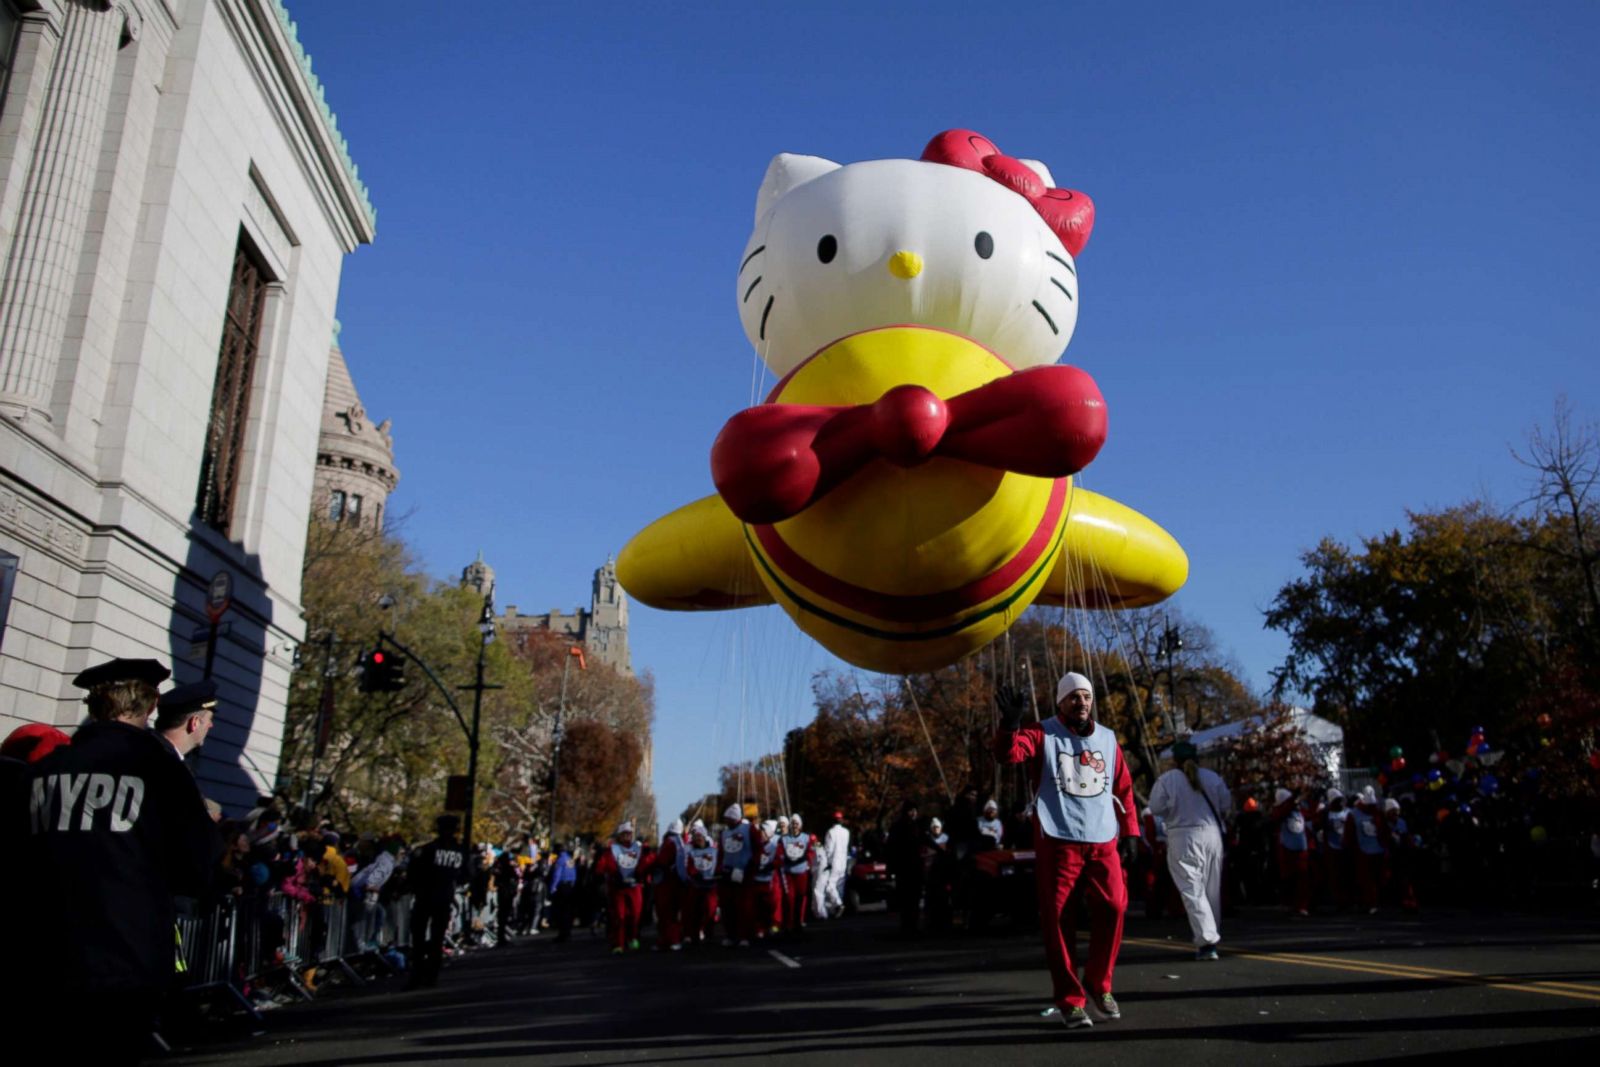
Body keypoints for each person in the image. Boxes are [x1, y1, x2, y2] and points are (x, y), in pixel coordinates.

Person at [23, 657, 216, 1061]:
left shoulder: (43, 771)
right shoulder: (160, 769)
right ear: (150, 705)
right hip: (128, 957)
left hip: (48, 953)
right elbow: (196, 867)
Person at [995, 671, 1139, 1031]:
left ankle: (1099, 983)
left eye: (1087, 697)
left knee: (1115, 905)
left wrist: (1132, 832)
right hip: (1059, 839)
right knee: (1058, 920)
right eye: (1074, 697)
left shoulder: (1107, 738)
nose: (1082, 703)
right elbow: (1008, 753)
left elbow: (1123, 787)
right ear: (1060, 702)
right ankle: (1070, 1000)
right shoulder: (1042, 732)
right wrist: (1010, 724)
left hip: (1103, 839)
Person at [1147, 739, 1232, 959]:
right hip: (1212, 834)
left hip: (1183, 835)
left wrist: (1172, 812)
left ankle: (1207, 941)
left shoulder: (1167, 780)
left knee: (1192, 889)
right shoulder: (1213, 778)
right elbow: (1226, 805)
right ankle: (1211, 932)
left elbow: (1155, 807)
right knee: (1211, 887)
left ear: (1175, 760)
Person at [406, 814, 466, 989]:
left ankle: (417, 975)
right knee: (437, 939)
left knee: (418, 938)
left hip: (425, 897)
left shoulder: (427, 850)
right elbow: (464, 875)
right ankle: (431, 976)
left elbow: (413, 873)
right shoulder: (460, 852)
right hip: (444, 898)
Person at [597, 821, 645, 953]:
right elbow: (601, 867)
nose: (627, 837)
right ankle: (619, 942)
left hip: (634, 887)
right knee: (619, 916)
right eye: (624, 834)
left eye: (629, 834)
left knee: (635, 915)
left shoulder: (638, 848)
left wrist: (643, 870)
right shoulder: (612, 850)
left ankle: (633, 938)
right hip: (618, 888)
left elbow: (646, 863)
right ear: (619, 836)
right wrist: (611, 874)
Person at [1271, 787, 1314, 917]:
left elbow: (1310, 817)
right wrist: (1292, 801)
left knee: (1303, 878)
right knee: (1289, 878)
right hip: (1287, 850)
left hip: (1301, 849)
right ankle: (1290, 904)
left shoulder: (1299, 810)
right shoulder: (1280, 812)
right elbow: (1279, 815)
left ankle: (1302, 905)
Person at [718, 804, 756, 945]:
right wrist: (720, 870)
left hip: (744, 872)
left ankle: (744, 935)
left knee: (743, 906)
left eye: (728, 818)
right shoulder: (724, 834)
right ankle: (731, 935)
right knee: (728, 906)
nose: (726, 821)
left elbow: (757, 848)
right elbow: (721, 854)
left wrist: (752, 867)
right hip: (728, 873)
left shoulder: (748, 830)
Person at [152, 679, 217, 763]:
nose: (211, 725)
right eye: (210, 719)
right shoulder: (167, 766)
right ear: (195, 723)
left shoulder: (144, 749)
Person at [1350, 788, 1390, 915]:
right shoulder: (1354, 814)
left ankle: (1378, 902)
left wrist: (1386, 846)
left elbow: (1384, 831)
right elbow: (1349, 834)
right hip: (1362, 852)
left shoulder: (1378, 813)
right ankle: (1369, 903)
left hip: (1378, 850)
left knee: (1379, 878)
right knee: (1366, 879)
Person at [887, 802, 924, 934]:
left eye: (915, 810)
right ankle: (909, 926)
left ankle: (910, 925)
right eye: (911, 811)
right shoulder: (905, 827)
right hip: (907, 867)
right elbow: (891, 848)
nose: (914, 813)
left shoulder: (912, 826)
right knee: (909, 899)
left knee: (910, 899)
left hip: (909, 867)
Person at [651, 819, 687, 949]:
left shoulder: (669, 843)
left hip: (667, 882)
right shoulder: (681, 843)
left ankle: (669, 939)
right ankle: (672, 939)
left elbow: (662, 862)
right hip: (676, 881)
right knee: (673, 913)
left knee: (666, 912)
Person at [779, 813, 815, 934]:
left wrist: (806, 860)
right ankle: (788, 924)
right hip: (789, 873)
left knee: (800, 898)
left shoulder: (805, 838)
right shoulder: (784, 839)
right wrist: (784, 859)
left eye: (796, 824)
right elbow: (780, 853)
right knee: (789, 899)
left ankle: (798, 923)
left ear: (800, 826)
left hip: (801, 873)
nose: (794, 826)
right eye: (793, 823)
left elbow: (810, 852)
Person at [1320, 788, 1352, 909]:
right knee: (1335, 876)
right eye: (1336, 800)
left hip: (1345, 848)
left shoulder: (1348, 812)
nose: (1339, 803)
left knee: (1346, 875)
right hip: (1332, 848)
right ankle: (1338, 900)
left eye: (1340, 800)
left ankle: (1347, 899)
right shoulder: (1326, 814)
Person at [751, 818, 782, 938]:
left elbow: (779, 860)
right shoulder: (756, 847)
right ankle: (760, 928)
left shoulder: (774, 846)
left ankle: (773, 925)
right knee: (758, 905)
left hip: (769, 880)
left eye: (763, 833)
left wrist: (770, 866)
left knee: (771, 904)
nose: (761, 835)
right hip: (757, 879)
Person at [818, 810, 850, 919]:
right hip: (843, 863)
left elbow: (828, 849)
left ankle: (838, 904)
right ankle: (834, 910)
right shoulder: (846, 832)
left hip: (834, 862)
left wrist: (827, 861)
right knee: (838, 886)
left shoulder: (830, 832)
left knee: (829, 886)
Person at [548, 843, 578, 941]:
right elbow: (574, 873)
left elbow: (557, 874)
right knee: (568, 910)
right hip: (570, 886)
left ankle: (562, 933)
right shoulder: (570, 859)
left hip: (562, 886)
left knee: (561, 911)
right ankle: (567, 931)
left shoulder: (560, 860)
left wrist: (553, 887)